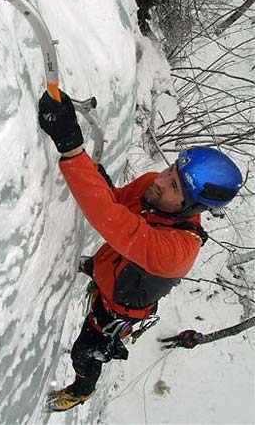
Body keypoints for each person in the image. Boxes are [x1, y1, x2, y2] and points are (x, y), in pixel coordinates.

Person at [38, 90, 243, 412]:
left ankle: (81, 390)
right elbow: (116, 202)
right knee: (104, 265)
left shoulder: (177, 250)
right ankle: (94, 269)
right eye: (169, 171)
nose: (160, 181)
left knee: (85, 352)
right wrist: (94, 174)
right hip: (114, 268)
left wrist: (70, 146)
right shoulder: (153, 185)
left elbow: (110, 219)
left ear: (192, 205)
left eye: (175, 186)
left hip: (119, 307)